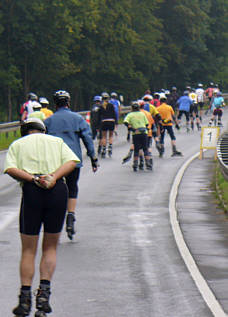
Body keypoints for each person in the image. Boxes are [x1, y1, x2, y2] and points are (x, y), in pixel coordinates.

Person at [4, 118, 80, 317]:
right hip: (56, 190)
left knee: (29, 249)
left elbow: (11, 169)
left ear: (25, 131)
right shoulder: (56, 142)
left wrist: (33, 179)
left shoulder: (18, 144)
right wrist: (53, 177)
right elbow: (72, 162)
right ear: (43, 130)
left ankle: (25, 298)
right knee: (50, 246)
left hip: (32, 191)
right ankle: (43, 296)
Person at [44, 90, 98, 240]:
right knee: (72, 187)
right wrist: (93, 157)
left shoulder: (48, 121)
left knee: (55, 189)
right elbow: (87, 138)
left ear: (55, 104)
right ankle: (71, 216)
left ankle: (56, 220)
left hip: (55, 162)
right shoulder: (77, 119)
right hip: (73, 161)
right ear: (68, 102)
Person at [123, 102, 152, 172]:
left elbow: (125, 122)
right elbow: (147, 123)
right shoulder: (142, 114)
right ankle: (148, 163)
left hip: (136, 133)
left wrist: (130, 127)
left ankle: (135, 164)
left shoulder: (130, 115)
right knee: (145, 148)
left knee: (136, 149)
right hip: (144, 133)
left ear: (132, 108)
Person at [157, 93, 182, 157]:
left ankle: (161, 151)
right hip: (169, 123)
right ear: (165, 101)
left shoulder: (158, 108)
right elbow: (173, 116)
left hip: (162, 124)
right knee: (172, 136)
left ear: (160, 101)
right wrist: (177, 124)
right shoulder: (169, 107)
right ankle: (174, 150)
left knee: (162, 137)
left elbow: (156, 117)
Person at [97, 92, 117, 158]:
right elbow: (114, 114)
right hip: (111, 121)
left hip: (104, 121)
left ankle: (104, 149)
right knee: (111, 135)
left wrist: (98, 125)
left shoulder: (100, 106)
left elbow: (99, 116)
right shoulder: (111, 105)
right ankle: (110, 147)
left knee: (104, 136)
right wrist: (116, 122)